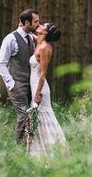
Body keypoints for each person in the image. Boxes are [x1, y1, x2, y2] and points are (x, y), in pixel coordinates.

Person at [0, 9, 40, 144]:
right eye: (36, 21)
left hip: (30, 85)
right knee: (24, 115)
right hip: (17, 84)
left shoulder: (30, 37)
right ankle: (16, 147)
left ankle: (28, 146)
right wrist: (11, 84)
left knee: (32, 115)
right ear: (27, 23)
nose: (38, 24)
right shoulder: (10, 39)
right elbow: (1, 65)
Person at [28, 22, 67, 156]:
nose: (40, 25)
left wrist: (38, 93)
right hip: (34, 84)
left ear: (45, 32)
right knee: (37, 117)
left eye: (43, 25)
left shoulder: (44, 48)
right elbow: (35, 38)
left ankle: (50, 151)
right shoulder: (41, 42)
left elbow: (43, 74)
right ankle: (38, 150)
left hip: (40, 87)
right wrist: (25, 31)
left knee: (43, 118)